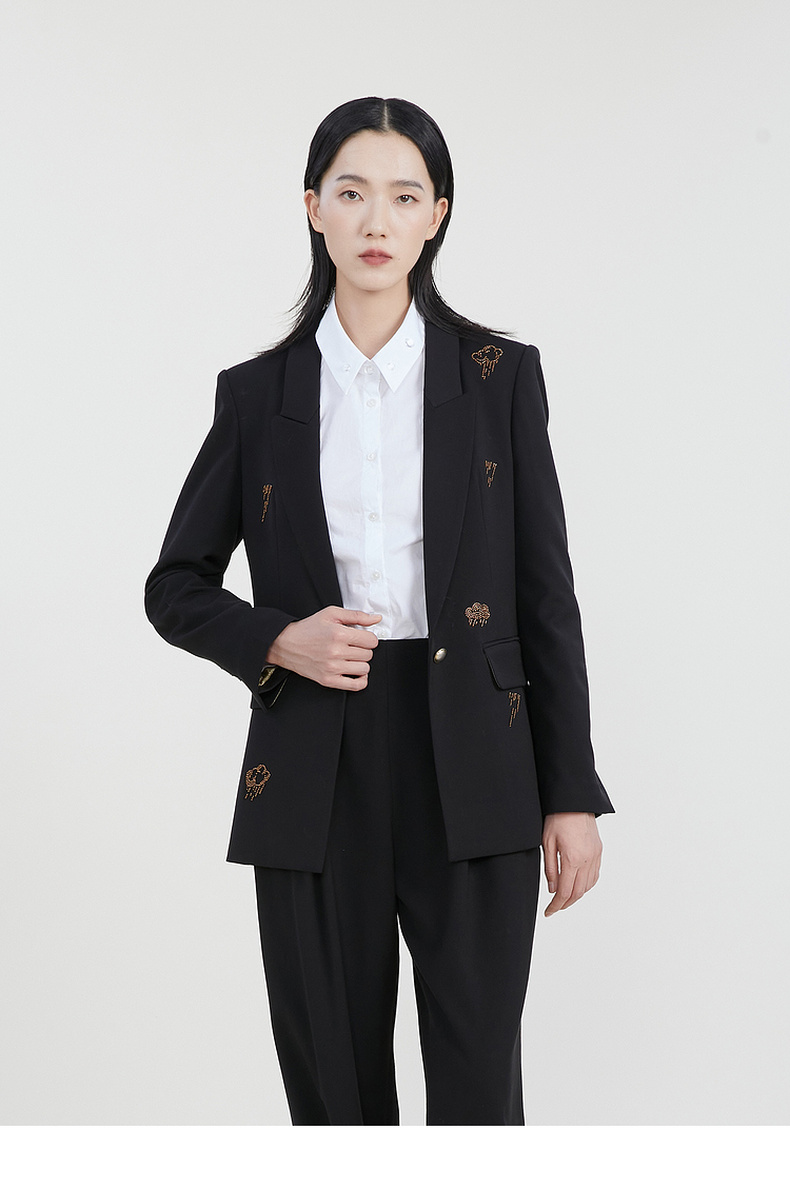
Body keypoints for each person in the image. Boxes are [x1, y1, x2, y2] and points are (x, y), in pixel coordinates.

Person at [144, 95, 615, 1126]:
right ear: (313, 206)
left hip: (477, 757)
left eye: (404, 197)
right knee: (335, 1097)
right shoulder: (256, 393)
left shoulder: (498, 378)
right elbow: (173, 584)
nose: (375, 220)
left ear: (436, 215)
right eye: (351, 193)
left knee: (479, 1093)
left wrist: (570, 792)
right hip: (315, 757)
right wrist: (278, 637)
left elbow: (546, 594)